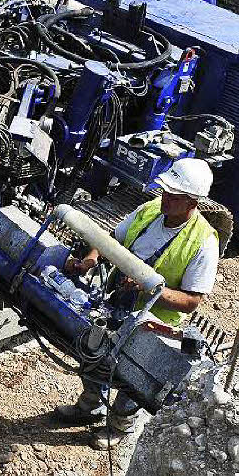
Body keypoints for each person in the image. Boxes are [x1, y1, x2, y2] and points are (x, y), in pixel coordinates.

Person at [53, 157, 219, 449]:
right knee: (92, 350)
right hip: (118, 299)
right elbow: (111, 240)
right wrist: (93, 256)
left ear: (192, 201)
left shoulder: (203, 242)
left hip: (153, 321)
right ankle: (91, 404)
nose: (165, 198)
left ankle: (119, 425)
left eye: (174, 195)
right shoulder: (151, 210)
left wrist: (151, 288)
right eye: (165, 191)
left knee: (134, 373)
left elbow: (192, 301)